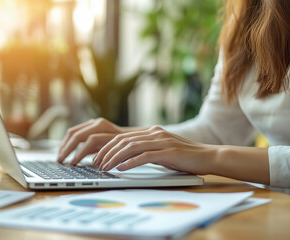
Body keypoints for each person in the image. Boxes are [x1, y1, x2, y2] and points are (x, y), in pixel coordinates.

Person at [57, 0, 290, 189]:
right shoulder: (245, 18)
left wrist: (212, 157)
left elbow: (214, 147)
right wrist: (128, 139)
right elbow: (217, 131)